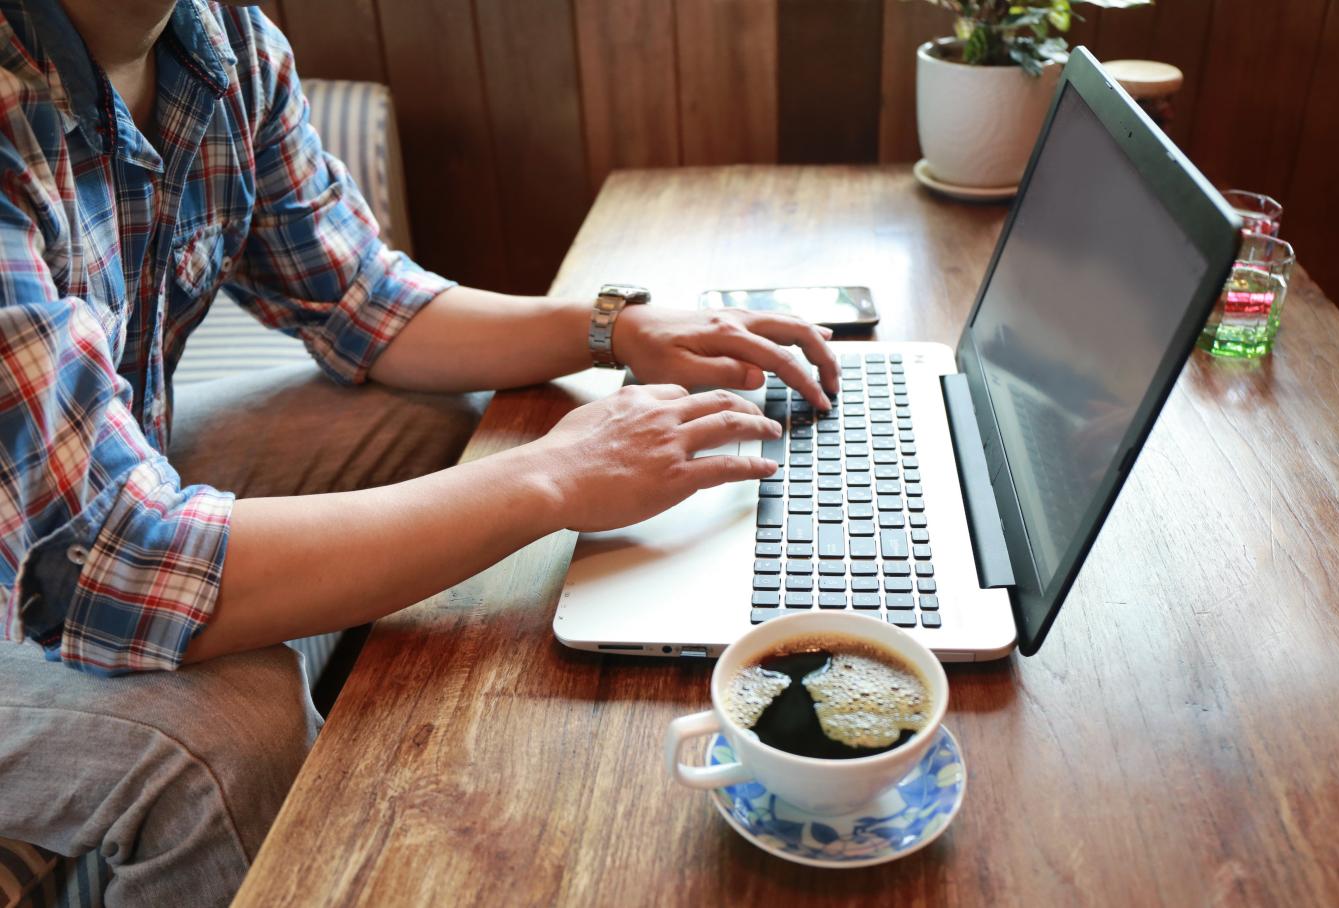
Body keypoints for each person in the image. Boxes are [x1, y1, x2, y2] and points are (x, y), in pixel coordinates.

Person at [0, 1, 838, 904]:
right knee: (229, 730)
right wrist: (550, 475)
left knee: (435, 414)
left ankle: (381, 766)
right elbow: (106, 565)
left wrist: (615, 324)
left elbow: (363, 296)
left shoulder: (219, 39)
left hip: (87, 478)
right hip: (58, 547)